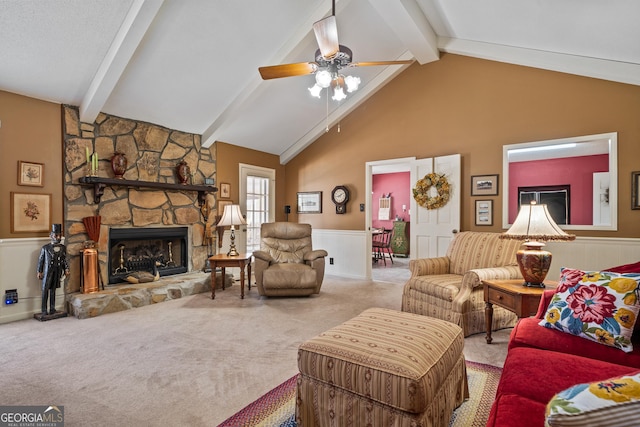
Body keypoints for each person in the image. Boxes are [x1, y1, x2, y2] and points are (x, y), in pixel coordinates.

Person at [37, 224, 70, 315]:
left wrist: (66, 269)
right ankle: (44, 309)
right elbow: (41, 260)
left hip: (57, 271)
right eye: (56, 235)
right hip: (48, 272)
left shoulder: (63, 248)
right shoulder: (45, 248)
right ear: (51, 236)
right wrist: (39, 271)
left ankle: (52, 308)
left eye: (59, 235)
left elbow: (64, 260)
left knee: (53, 290)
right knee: (45, 290)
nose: (58, 237)